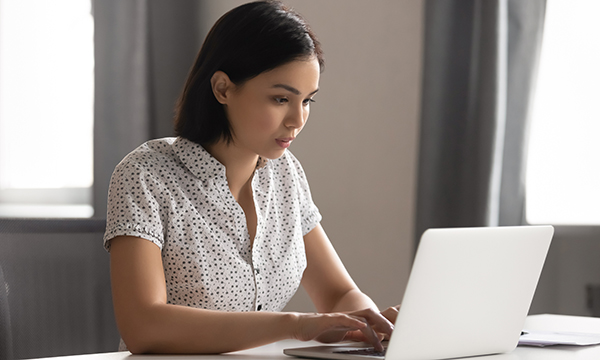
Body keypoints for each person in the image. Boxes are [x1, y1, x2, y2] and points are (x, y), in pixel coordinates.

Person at [104, 0, 399, 355]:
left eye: (307, 101)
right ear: (223, 89)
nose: (297, 119)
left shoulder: (286, 173)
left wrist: (368, 322)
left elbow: (338, 293)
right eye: (280, 99)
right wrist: (297, 325)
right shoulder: (146, 175)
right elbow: (143, 326)